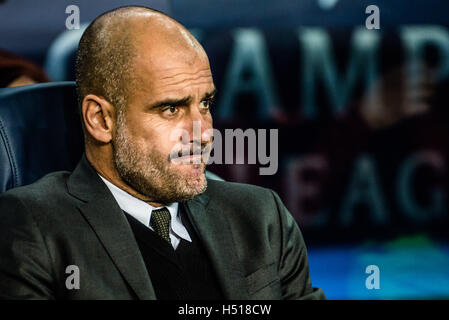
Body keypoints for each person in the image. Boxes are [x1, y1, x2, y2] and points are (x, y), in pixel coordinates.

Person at [0, 6, 325, 300]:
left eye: (205, 103)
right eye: (171, 108)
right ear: (101, 120)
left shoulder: (262, 217)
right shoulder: (31, 227)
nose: (204, 133)